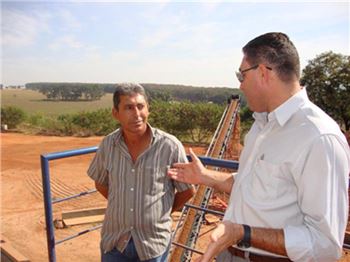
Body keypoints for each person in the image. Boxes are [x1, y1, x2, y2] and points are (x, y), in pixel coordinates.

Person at [168, 32, 350, 262]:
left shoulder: (318, 137)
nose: (240, 86)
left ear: (263, 72)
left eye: (241, 75)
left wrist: (242, 233)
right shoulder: (261, 125)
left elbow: (324, 246)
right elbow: (251, 184)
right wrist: (206, 176)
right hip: (229, 252)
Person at [87, 83, 195, 262]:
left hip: (152, 245)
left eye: (140, 106)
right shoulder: (108, 145)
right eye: (129, 108)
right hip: (114, 243)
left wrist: (161, 213)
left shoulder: (170, 146)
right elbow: (100, 183)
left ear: (148, 109)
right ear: (116, 113)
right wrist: (125, 206)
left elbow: (187, 191)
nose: (137, 115)